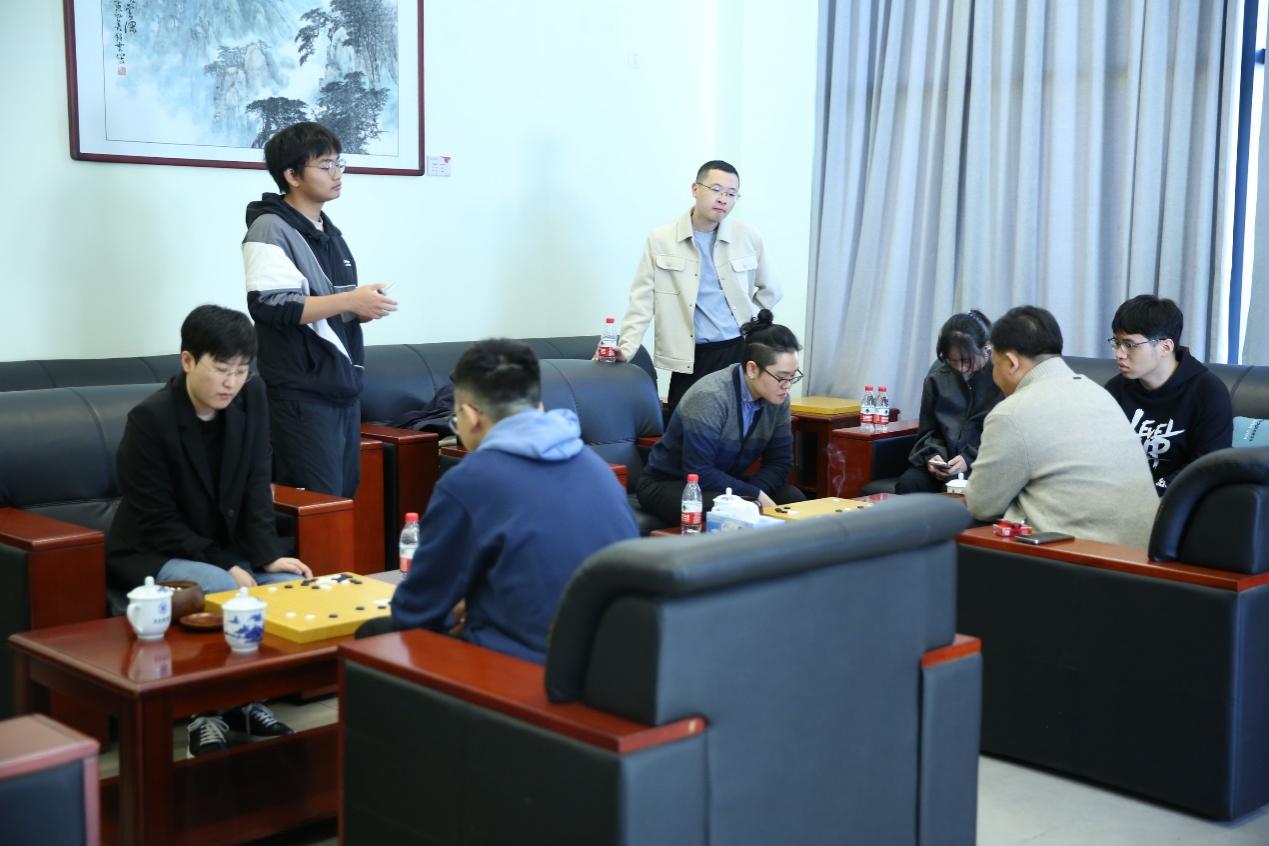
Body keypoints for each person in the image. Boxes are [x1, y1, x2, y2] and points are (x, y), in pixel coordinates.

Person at [106, 305, 314, 756]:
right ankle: (206, 711)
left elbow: (258, 481)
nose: (231, 383)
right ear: (187, 360)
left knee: (286, 583)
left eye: (240, 370)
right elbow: (158, 522)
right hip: (152, 550)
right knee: (221, 587)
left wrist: (266, 554)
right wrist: (227, 564)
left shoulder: (252, 395)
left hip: (223, 546)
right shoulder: (150, 420)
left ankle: (247, 700)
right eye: (220, 369)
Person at [388, 339, 639, 664]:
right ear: (539, 406)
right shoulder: (596, 468)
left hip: (521, 672)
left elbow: (415, 609)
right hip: (609, 662)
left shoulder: (470, 482)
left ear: (470, 416)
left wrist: (460, 608)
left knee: (377, 633)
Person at [242, 121, 397, 499]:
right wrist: (350, 301)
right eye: (325, 165)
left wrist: (359, 308)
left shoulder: (328, 230)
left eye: (338, 163)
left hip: (341, 385)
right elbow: (270, 305)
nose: (337, 174)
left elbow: (325, 304)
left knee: (343, 497)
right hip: (302, 391)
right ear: (292, 175)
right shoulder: (269, 228)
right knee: (319, 503)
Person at [964, 306, 1159, 546]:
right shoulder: (1098, 392)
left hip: (1076, 556)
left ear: (1011, 363)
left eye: (995, 365)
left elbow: (981, 505)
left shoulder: (1012, 412)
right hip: (1143, 554)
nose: (994, 375)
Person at [612, 160, 780, 414]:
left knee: (736, 426)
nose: (723, 199)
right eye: (716, 189)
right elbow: (642, 301)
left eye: (731, 194)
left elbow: (772, 289)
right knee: (685, 425)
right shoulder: (661, 239)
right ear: (695, 189)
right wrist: (625, 350)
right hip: (690, 356)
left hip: (738, 349)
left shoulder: (748, 236)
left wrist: (751, 322)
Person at [635, 310, 806, 523]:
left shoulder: (778, 399)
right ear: (752, 369)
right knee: (725, 510)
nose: (787, 386)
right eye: (781, 377)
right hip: (672, 484)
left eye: (793, 376)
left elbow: (780, 463)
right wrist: (753, 496)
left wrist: (754, 495)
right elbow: (699, 471)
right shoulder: (710, 396)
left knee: (792, 498)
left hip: (723, 483)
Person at [1103, 294, 1233, 495]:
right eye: (1116, 343)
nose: (1119, 354)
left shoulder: (1208, 392)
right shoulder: (1115, 389)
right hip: (1119, 497)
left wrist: (1151, 494)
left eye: (1129, 345)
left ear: (1165, 347)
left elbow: (1208, 468)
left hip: (1181, 502)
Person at [896, 310, 1003, 493]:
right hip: (946, 462)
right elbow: (928, 432)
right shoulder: (938, 378)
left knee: (959, 486)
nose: (961, 368)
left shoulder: (1002, 376)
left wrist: (970, 458)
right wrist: (933, 456)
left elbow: (1006, 434)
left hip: (984, 462)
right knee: (909, 484)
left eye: (967, 361)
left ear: (985, 348)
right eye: (953, 361)